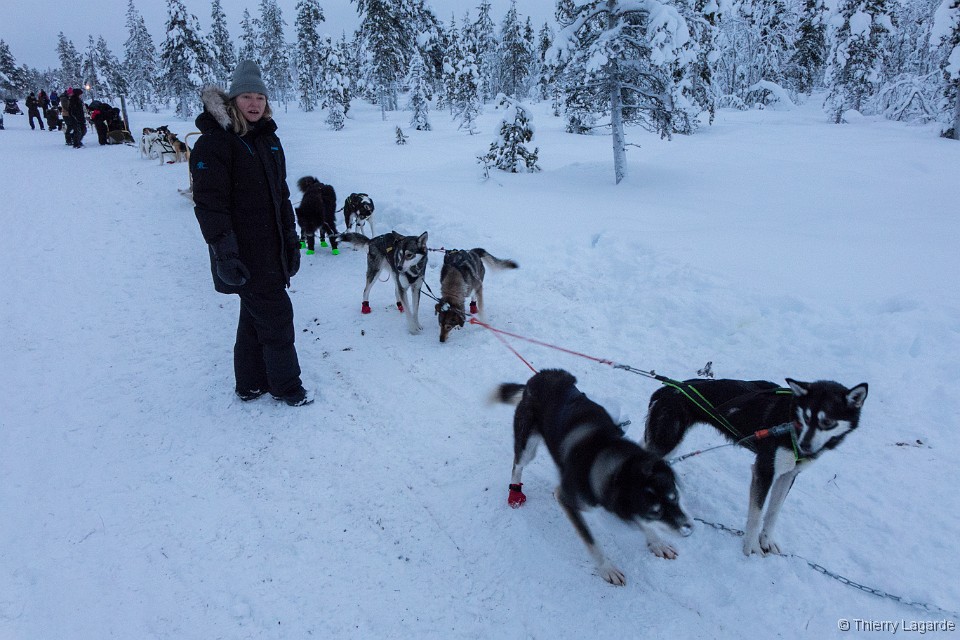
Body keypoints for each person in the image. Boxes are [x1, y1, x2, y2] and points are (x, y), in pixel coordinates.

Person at [190, 60, 312, 406]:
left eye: (260, 97)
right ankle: (287, 387)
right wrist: (225, 253)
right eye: (247, 97)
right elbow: (210, 205)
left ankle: (250, 383)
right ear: (233, 100)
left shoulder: (269, 140)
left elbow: (281, 196)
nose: (255, 103)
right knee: (276, 317)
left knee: (253, 316)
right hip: (243, 252)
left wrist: (292, 241)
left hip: (272, 248)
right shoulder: (215, 143)